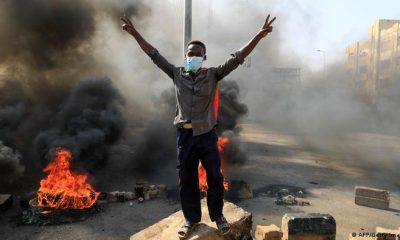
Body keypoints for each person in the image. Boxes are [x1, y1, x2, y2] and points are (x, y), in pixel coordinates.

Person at [121, 13, 275, 238]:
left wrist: (258, 36)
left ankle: (218, 216)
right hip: (184, 137)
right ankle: (190, 219)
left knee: (214, 177)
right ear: (186, 56)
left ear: (204, 57)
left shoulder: (213, 75)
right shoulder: (176, 74)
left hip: (207, 135)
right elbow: (154, 54)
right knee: (187, 179)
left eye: (198, 54)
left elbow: (238, 57)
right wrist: (135, 34)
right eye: (191, 54)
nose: (194, 57)